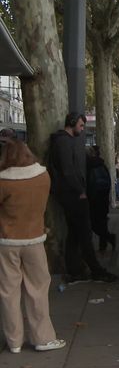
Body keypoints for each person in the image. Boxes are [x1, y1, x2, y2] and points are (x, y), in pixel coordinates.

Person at [0, 138, 66, 353]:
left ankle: (14, 341)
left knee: (9, 292)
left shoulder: (3, 181)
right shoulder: (42, 176)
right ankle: (42, 338)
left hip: (7, 241)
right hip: (35, 239)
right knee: (37, 289)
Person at [48, 112, 118, 284]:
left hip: (69, 193)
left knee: (74, 234)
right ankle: (96, 270)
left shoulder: (64, 141)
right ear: (71, 123)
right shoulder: (64, 141)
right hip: (72, 194)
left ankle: (75, 269)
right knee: (84, 233)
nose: (82, 128)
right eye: (80, 125)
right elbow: (67, 170)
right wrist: (80, 190)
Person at [86, 146, 116, 252]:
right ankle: (103, 245)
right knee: (102, 224)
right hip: (102, 200)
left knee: (95, 225)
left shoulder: (92, 166)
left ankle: (109, 239)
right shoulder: (101, 165)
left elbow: (93, 185)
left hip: (95, 201)